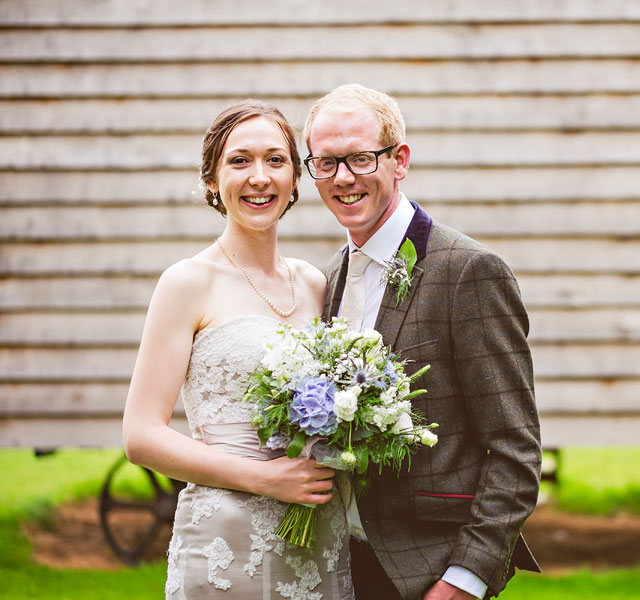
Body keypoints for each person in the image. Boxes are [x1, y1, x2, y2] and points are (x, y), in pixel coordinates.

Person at [302, 84, 542, 600]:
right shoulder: (329, 277)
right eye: (325, 163)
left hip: (426, 575)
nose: (343, 178)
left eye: (360, 158)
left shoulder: (468, 271)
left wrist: (465, 579)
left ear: (399, 160)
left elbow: (514, 449)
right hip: (336, 567)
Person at [122, 99, 354, 599]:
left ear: (296, 179)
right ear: (212, 180)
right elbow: (141, 435)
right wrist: (265, 480)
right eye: (239, 160)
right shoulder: (186, 282)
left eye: (276, 160)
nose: (259, 176)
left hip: (318, 535)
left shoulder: (316, 282)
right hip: (224, 538)